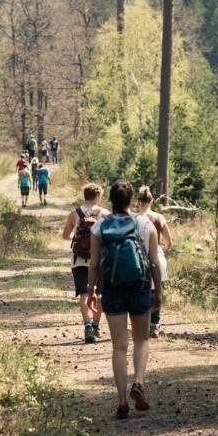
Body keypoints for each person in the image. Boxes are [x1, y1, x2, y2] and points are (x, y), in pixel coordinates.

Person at [87, 179, 162, 420]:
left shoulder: (100, 227)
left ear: (111, 199)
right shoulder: (144, 223)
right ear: (131, 200)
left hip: (112, 289)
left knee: (119, 346)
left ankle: (121, 402)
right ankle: (138, 382)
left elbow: (95, 263)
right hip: (140, 287)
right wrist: (157, 290)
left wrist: (91, 291)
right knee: (141, 340)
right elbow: (154, 262)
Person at [62, 183, 109, 343]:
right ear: (98, 197)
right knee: (100, 294)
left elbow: (65, 235)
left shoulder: (74, 213)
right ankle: (96, 325)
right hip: (100, 260)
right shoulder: (105, 214)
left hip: (79, 261)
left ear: (84, 196)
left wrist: (77, 239)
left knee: (84, 294)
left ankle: (87, 326)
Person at [136, 186, 172, 338]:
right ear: (151, 201)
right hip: (156, 255)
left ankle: (141, 322)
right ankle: (154, 324)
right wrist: (163, 250)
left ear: (138, 201)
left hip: (137, 256)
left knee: (139, 290)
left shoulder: (134, 218)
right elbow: (169, 240)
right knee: (156, 290)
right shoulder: (159, 218)